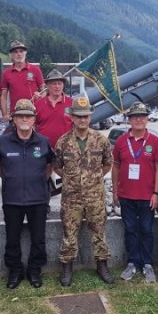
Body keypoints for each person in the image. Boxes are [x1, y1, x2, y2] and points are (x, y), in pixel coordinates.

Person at [0, 99, 54, 289]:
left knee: (38, 238)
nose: (25, 119)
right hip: (12, 199)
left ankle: (34, 270)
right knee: (12, 239)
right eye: (20, 116)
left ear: (34, 119)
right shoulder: (3, 141)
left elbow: (50, 165)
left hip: (38, 199)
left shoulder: (44, 142)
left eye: (29, 116)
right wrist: (11, 178)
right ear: (14, 119)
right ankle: (15, 271)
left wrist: (37, 180)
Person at [54, 95, 114, 287]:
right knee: (69, 233)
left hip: (95, 196)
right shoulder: (63, 142)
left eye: (86, 116)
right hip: (71, 197)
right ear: (71, 117)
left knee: (99, 232)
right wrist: (73, 180)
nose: (82, 119)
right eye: (78, 116)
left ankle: (102, 265)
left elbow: (107, 164)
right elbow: (57, 166)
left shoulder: (101, 140)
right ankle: (67, 267)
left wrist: (91, 179)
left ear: (90, 117)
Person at [112, 101, 158, 283]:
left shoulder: (154, 141)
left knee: (147, 230)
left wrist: (156, 193)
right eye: (135, 116)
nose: (139, 119)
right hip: (126, 195)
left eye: (142, 116)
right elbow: (116, 166)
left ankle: (147, 264)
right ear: (129, 120)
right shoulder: (121, 141)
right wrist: (115, 191)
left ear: (147, 119)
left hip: (147, 196)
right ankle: (133, 262)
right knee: (131, 230)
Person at [0, 40, 44, 122]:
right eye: (15, 52)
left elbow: (44, 91)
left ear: (25, 53)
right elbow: (3, 96)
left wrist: (40, 96)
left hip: (33, 113)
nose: (19, 54)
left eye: (21, 51)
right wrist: (4, 114)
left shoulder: (35, 70)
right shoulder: (6, 73)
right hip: (15, 114)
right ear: (11, 55)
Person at [34, 69, 73, 149]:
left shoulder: (71, 103)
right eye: (54, 84)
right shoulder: (38, 104)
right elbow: (33, 126)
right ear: (47, 86)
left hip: (66, 148)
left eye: (60, 83)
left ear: (63, 85)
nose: (57, 86)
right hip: (44, 148)